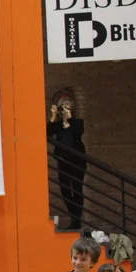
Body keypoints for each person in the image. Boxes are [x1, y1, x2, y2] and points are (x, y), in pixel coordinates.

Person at [48, 90, 87, 230]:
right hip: (63, 160)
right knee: (65, 189)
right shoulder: (58, 125)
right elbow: (47, 132)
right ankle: (74, 216)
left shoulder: (77, 122)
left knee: (77, 189)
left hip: (77, 161)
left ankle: (76, 221)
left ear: (72, 108)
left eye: (67, 105)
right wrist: (53, 116)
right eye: (62, 105)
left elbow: (77, 134)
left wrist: (68, 120)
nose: (64, 107)